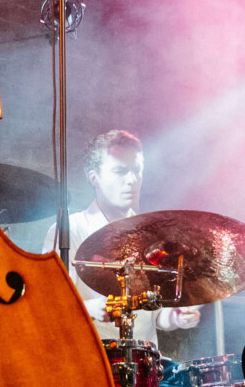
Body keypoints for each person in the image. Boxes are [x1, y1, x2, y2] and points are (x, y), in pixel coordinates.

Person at [43, 130, 202, 344]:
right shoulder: (67, 230)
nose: (132, 180)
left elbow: (157, 316)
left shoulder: (154, 236)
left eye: (137, 170)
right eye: (120, 171)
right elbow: (47, 304)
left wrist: (176, 318)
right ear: (94, 178)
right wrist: (88, 308)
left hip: (144, 366)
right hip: (88, 361)